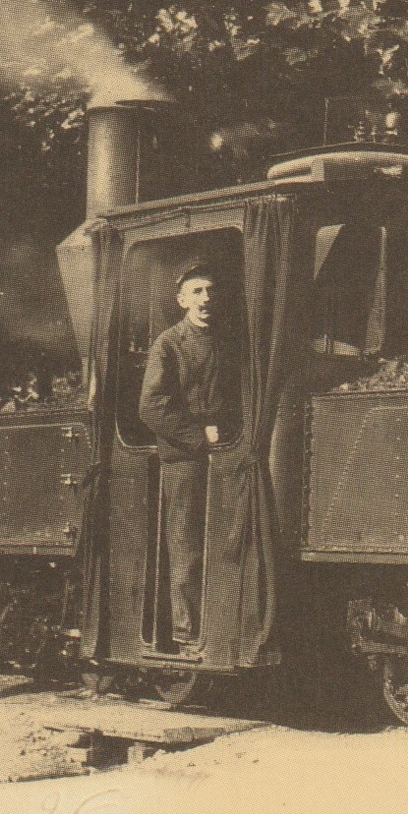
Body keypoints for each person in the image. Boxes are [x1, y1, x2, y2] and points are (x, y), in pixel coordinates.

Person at [139, 258, 233, 644]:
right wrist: (200, 436)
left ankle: (219, 629)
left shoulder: (226, 343)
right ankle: (186, 633)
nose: (205, 298)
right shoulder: (168, 344)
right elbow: (151, 406)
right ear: (181, 301)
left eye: (210, 290)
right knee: (187, 546)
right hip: (184, 459)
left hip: (227, 453)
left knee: (225, 544)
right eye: (196, 291)